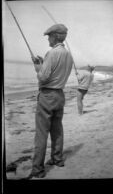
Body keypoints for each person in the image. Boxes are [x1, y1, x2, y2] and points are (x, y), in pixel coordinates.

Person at [28, 24, 73, 179]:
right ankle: (58, 159)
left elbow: (43, 77)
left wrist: (37, 67)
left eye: (49, 36)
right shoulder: (68, 55)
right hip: (60, 95)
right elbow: (56, 72)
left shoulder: (52, 53)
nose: (48, 38)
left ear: (55, 36)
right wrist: (43, 63)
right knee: (57, 130)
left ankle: (38, 170)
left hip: (47, 96)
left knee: (41, 134)